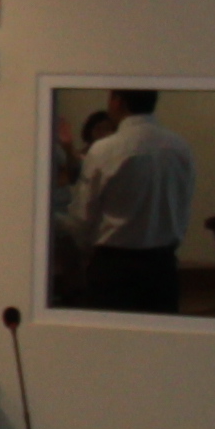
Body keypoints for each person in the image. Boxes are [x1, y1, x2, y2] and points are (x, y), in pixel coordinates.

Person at [76, 90, 196, 313]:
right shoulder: (180, 147)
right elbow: (183, 203)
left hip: (114, 264)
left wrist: (85, 249)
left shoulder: (104, 149)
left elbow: (85, 213)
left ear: (118, 101)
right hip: (162, 263)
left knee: (111, 332)